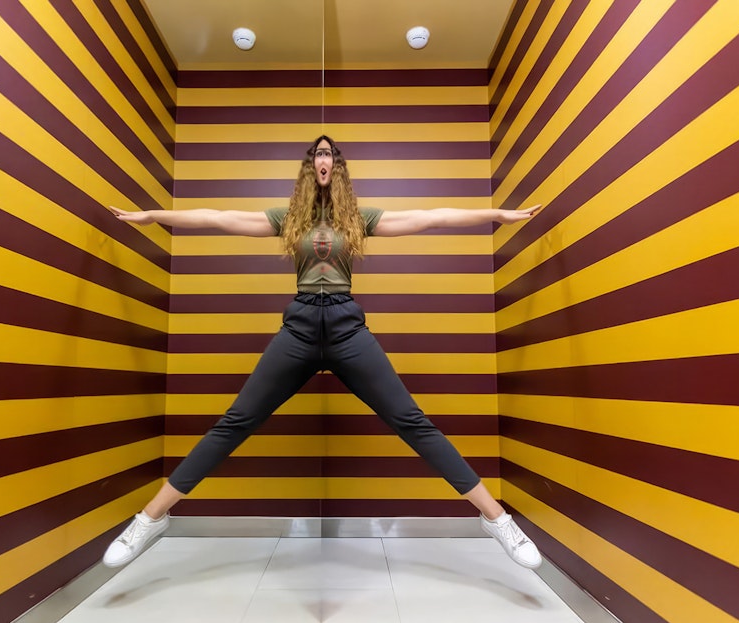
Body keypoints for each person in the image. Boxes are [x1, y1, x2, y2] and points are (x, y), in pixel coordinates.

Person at [103, 135, 543, 570]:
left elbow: (431, 218)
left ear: (338, 166)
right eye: (317, 153)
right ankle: (151, 519)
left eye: (329, 153)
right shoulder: (289, 218)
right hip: (299, 327)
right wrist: (154, 216)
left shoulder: (358, 218)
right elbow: (217, 218)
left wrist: (496, 215)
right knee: (236, 421)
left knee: (411, 420)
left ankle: (496, 519)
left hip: (346, 327)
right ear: (309, 166)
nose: (323, 159)